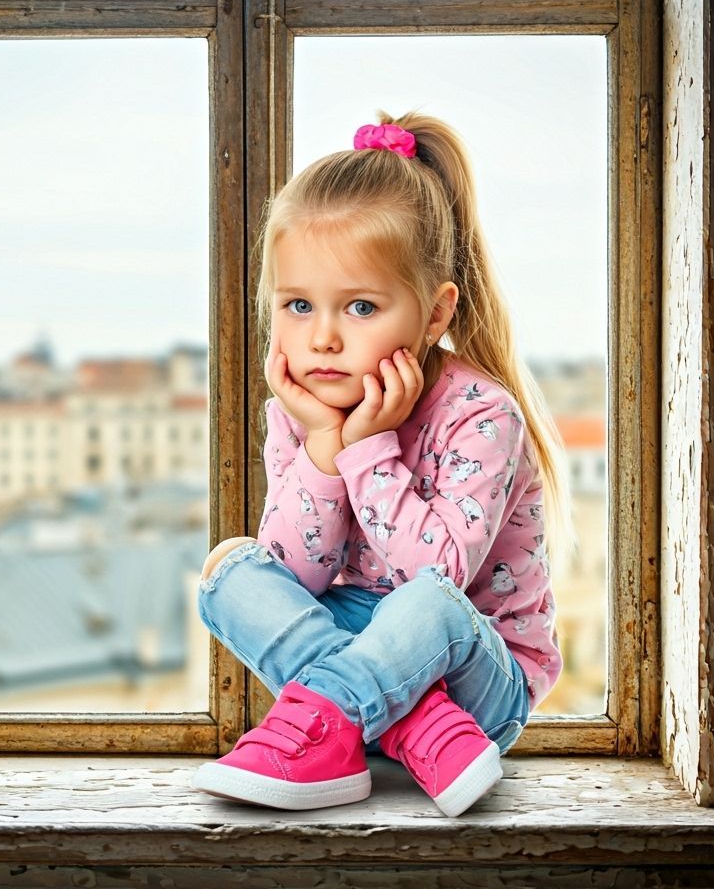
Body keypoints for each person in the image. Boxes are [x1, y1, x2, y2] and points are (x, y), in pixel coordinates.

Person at [190, 111, 577, 817]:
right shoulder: (303, 412)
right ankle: (414, 729)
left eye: (361, 306)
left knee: (422, 599)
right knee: (230, 571)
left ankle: (331, 720)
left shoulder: (481, 414)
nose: (324, 338)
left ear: (433, 315)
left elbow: (437, 581)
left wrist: (369, 449)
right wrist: (322, 451)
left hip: (477, 676)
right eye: (299, 305)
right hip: (378, 668)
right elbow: (293, 576)